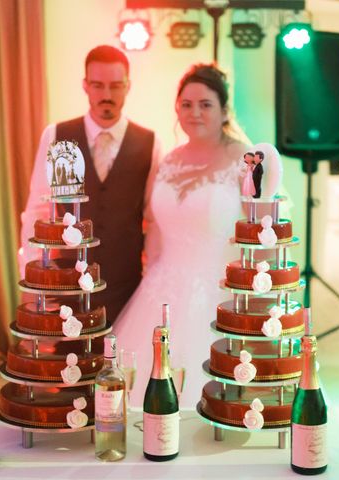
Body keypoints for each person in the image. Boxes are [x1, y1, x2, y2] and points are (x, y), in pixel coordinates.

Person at [112, 64, 249, 408]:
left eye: (205, 104)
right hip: (160, 291)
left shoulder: (244, 161)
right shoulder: (170, 160)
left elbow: (260, 230)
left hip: (217, 294)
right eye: (186, 104)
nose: (195, 113)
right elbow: (155, 226)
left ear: (224, 111)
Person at [18, 45, 162, 324]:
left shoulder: (150, 143)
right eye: (97, 85)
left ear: (128, 86)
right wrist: (31, 272)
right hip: (65, 280)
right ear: (85, 86)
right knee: (68, 362)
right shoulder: (58, 136)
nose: (106, 95)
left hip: (126, 284)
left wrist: (153, 279)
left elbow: (154, 220)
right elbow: (37, 210)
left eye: (115, 86)